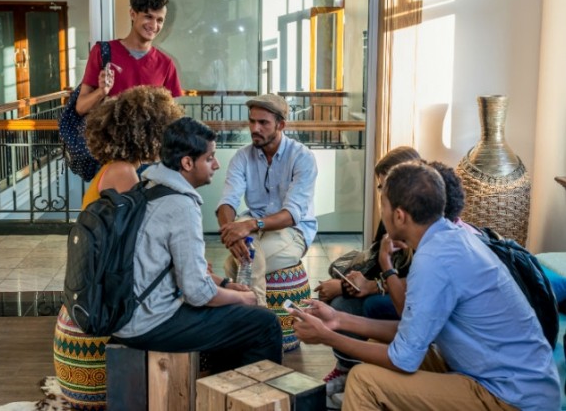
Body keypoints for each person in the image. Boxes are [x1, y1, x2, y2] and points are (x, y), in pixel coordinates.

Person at [289, 162, 561, 410]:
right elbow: (413, 332)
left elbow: (402, 359)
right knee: (381, 346)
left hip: (512, 398)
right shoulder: (447, 240)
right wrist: (337, 320)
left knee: (364, 381)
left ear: (399, 215)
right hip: (508, 381)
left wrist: (326, 336)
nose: (381, 214)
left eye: (382, 205)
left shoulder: (434, 260)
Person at [111, 117, 283, 372]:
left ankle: (221, 393)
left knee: (230, 317)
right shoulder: (180, 205)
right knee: (265, 323)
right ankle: (251, 399)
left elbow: (175, 268)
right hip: (149, 322)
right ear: (187, 162)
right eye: (210, 157)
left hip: (126, 315)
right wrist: (242, 299)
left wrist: (224, 285)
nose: (216, 164)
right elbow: (196, 292)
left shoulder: (148, 186)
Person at [53, 85, 183, 410]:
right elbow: (137, 248)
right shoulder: (124, 174)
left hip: (91, 290)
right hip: (99, 302)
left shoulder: (115, 168)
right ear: (149, 134)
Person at [316, 146, 419, 397]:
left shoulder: (419, 222)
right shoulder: (391, 215)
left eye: (385, 186)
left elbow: (414, 286)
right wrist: (352, 279)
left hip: (406, 298)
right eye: (380, 186)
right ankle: (347, 367)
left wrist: (347, 287)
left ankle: (348, 370)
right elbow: (375, 257)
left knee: (346, 303)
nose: (381, 192)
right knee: (340, 287)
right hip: (391, 286)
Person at [216, 93, 318, 306]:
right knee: (244, 258)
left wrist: (249, 225)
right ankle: (257, 318)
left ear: (281, 125)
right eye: (252, 121)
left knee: (236, 265)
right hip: (254, 225)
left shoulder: (302, 157)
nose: (255, 129)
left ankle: (257, 318)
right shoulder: (242, 157)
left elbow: (291, 215)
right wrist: (231, 232)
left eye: (263, 123)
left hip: (293, 230)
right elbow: (227, 202)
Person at [75, 0, 181, 116]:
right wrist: (101, 92)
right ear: (133, 14)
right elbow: (81, 108)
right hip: (108, 136)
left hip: (148, 136)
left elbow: (172, 116)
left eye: (159, 20)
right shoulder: (102, 52)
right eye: (148, 17)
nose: (154, 26)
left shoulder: (166, 64)